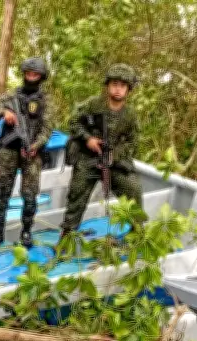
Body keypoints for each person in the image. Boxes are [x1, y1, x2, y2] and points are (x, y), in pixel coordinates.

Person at [60, 63, 143, 237]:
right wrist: (88, 139)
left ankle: (137, 232)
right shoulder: (93, 104)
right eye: (114, 84)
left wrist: (115, 154)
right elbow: (73, 122)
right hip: (88, 157)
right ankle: (67, 235)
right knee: (77, 193)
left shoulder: (130, 115)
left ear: (128, 89)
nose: (118, 89)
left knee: (133, 188)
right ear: (108, 86)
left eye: (122, 86)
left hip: (113, 161)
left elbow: (133, 142)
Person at [0, 57, 54, 247]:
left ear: (41, 77)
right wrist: (4, 112)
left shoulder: (46, 101)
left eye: (35, 75)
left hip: (32, 151)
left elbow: (47, 128)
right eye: (28, 74)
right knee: (2, 191)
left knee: (30, 195)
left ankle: (26, 232)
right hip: (8, 150)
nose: (31, 77)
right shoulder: (11, 96)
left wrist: (36, 145)